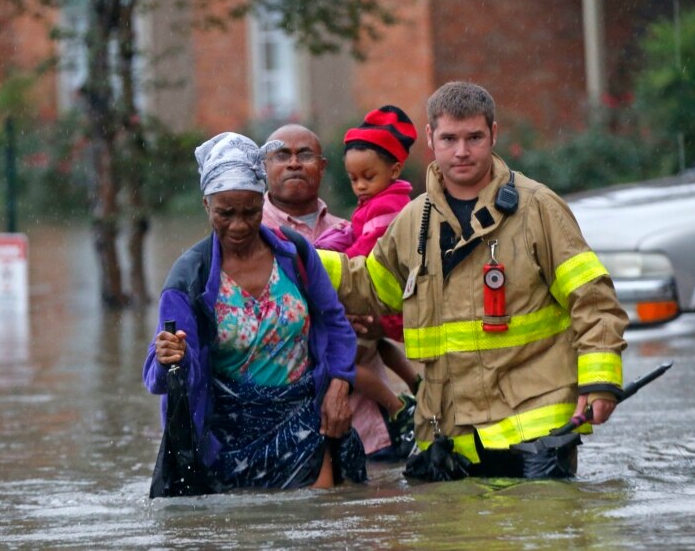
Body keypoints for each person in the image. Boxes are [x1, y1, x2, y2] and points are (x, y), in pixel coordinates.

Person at [316, 82, 628, 479]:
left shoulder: (538, 209)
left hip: (537, 435)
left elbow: (593, 300)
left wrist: (600, 381)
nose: (461, 151)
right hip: (449, 435)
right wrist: (300, 258)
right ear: (430, 139)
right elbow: (374, 288)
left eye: (474, 138)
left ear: (493, 135)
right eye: (449, 138)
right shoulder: (413, 221)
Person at [143, 131, 366, 492]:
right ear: (206, 205)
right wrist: (172, 357)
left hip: (304, 426)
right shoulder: (188, 279)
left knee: (321, 524)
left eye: (250, 211)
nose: (239, 225)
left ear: (263, 202)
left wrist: (340, 384)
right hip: (225, 443)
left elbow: (334, 323)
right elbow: (160, 377)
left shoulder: (294, 254)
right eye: (225, 213)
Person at [261, 123, 421, 461]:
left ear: (322, 166)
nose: (293, 163)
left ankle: (405, 401)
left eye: (304, 154)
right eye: (281, 155)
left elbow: (408, 298)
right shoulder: (248, 234)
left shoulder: (350, 230)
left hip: (372, 431)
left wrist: (375, 320)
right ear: (264, 166)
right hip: (288, 434)